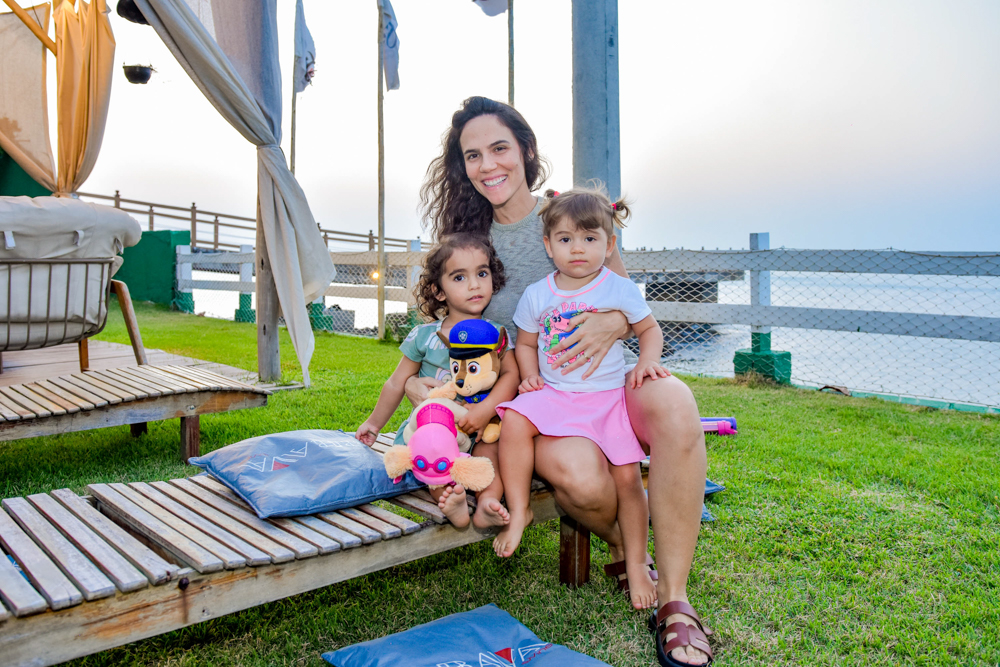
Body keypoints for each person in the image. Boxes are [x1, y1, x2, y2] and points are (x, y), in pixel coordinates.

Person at [411, 97, 714, 666]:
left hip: (606, 380)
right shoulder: (467, 236)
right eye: (472, 155)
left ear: (525, 150)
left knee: (676, 403)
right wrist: (422, 391)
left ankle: (674, 600)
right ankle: (631, 552)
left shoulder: (568, 214)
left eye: (499, 148)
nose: (487, 164)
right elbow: (443, 330)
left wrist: (612, 322)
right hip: (530, 393)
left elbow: (627, 303)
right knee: (582, 476)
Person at [493, 186, 668, 613]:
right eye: (566, 239)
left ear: (609, 246)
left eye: (590, 239)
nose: (578, 249)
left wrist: (647, 362)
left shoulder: (618, 291)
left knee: (627, 480)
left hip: (605, 399)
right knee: (514, 421)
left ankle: (639, 561)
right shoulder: (539, 293)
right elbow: (526, 343)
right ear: (548, 245)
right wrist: (530, 376)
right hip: (554, 394)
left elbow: (651, 330)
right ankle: (519, 511)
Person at [355, 233, 519, 530]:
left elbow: (511, 375)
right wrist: (374, 423)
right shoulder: (424, 335)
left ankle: (487, 503)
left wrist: (486, 411)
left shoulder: (495, 333)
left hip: (478, 426)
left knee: (491, 453)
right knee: (430, 448)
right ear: (438, 291)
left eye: (482, 273)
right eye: (459, 277)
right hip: (433, 425)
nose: (474, 284)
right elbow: (396, 383)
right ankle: (449, 499)